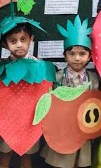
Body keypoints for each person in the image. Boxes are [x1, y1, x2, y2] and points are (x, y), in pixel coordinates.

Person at [41, 15, 99, 168]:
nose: (77, 58)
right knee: (60, 161)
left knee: (79, 161)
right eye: (72, 53)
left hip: (82, 129)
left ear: (90, 56)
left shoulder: (93, 79)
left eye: (82, 54)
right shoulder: (58, 77)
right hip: (62, 129)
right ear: (64, 56)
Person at [0, 15, 48, 168]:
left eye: (23, 40)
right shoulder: (0, 68)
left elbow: (44, 97)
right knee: (5, 155)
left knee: (27, 158)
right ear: (5, 43)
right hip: (7, 121)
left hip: (30, 120)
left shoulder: (39, 67)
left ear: (31, 39)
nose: (19, 45)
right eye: (13, 41)